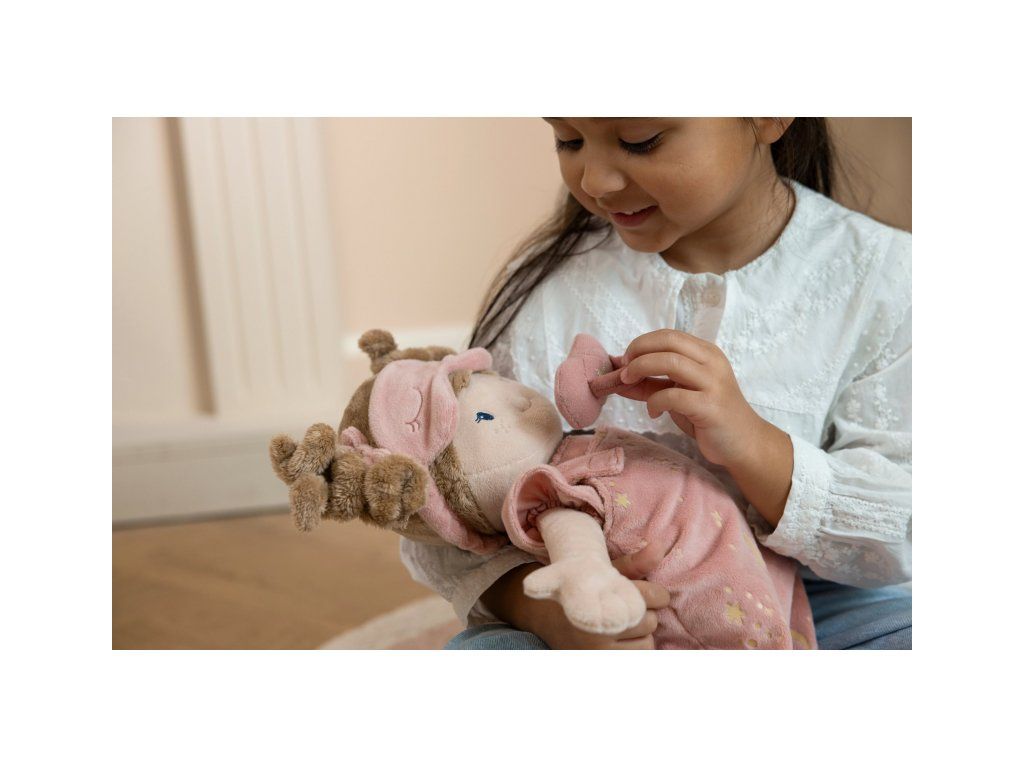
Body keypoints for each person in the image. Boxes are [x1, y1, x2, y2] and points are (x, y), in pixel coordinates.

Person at [400, 117, 912, 650]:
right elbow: (445, 507)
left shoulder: (890, 276)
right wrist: (543, 609)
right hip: (599, 588)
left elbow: (904, 526)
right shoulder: (547, 287)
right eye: (568, 140)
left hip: (818, 599)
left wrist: (753, 444)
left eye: (640, 141)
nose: (595, 180)